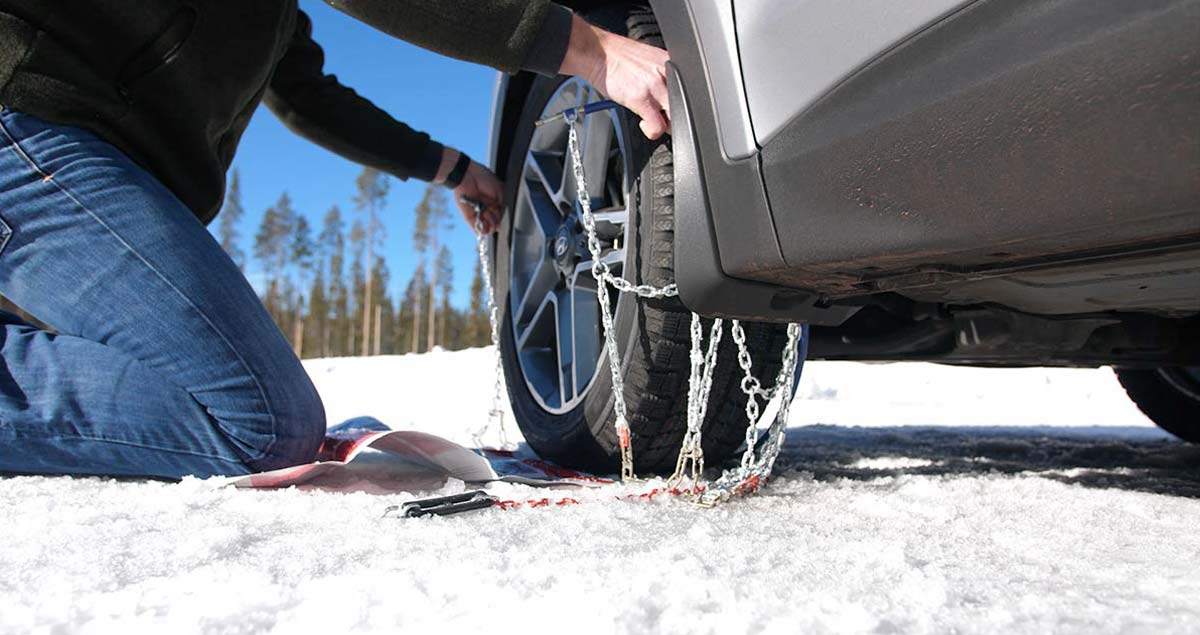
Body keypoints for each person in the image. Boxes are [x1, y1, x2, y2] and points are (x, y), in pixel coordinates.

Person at [0, 1, 671, 479]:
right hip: (27, 125)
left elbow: (310, 99)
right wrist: (590, 47)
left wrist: (455, 170)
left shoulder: (271, 21)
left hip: (73, 157)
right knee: (259, 422)